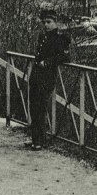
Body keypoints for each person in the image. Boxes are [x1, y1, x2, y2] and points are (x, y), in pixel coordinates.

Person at [27, 10, 70, 151]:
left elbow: (65, 57)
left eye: (49, 22)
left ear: (56, 22)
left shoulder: (61, 39)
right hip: (36, 76)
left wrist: (48, 62)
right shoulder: (43, 37)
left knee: (40, 108)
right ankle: (36, 138)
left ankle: (40, 140)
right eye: (44, 22)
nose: (46, 25)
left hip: (47, 77)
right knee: (34, 107)